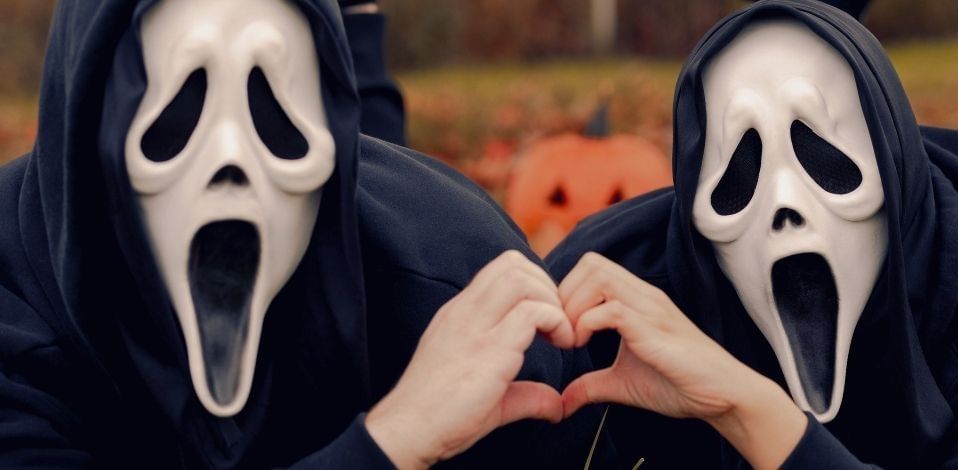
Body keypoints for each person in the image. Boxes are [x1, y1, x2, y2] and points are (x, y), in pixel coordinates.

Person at [0, 0, 601, 467]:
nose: (230, 160)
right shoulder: (14, 312)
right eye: (171, 121)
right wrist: (394, 439)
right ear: (88, 139)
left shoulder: (451, 284)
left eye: (276, 121)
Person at [548, 0, 958, 468]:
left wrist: (744, 408)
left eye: (825, 158)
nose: (783, 205)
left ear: (894, 172)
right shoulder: (623, 307)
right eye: (737, 177)